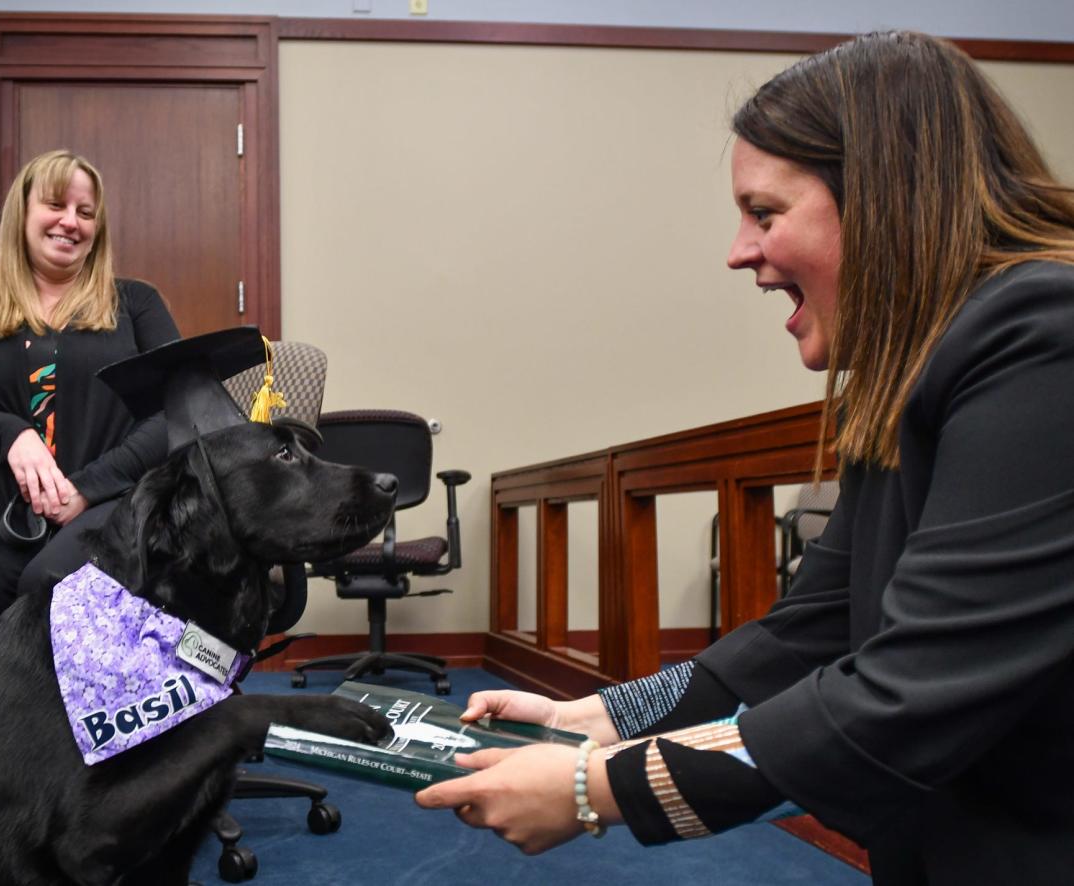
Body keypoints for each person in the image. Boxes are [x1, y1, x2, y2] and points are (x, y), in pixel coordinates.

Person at [415, 31, 1074, 885]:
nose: (739, 251)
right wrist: (598, 718)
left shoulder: (1042, 338)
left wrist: (595, 789)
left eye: (765, 214)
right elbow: (809, 628)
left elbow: (914, 689)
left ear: (885, 199)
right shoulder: (914, 363)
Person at [0, 149, 180, 711]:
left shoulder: (135, 302)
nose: (70, 222)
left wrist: (89, 486)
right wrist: (9, 431)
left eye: (86, 211)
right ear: (22, 211)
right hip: (15, 520)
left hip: (110, 512)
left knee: (50, 586)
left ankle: (70, 779)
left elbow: (179, 412)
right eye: (56, 205)